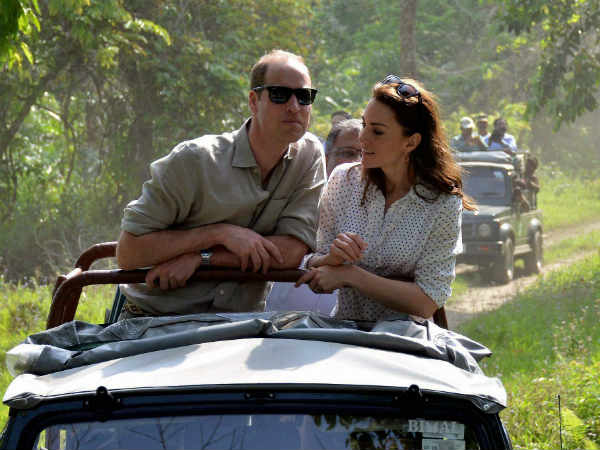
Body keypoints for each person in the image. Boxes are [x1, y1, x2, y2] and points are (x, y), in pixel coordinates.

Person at [116, 49, 327, 318]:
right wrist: (218, 233)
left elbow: (290, 251)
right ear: (254, 101)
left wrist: (202, 258)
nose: (294, 106)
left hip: (238, 324)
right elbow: (129, 251)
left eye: (304, 96)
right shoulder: (194, 160)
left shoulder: (309, 155)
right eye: (279, 94)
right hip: (156, 317)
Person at [296, 75, 475, 323]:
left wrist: (351, 275)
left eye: (377, 131)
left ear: (411, 142)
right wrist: (330, 259)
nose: (362, 138)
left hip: (405, 340)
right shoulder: (342, 180)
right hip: (343, 333)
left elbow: (427, 301)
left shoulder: (443, 204)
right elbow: (313, 266)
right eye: (364, 125)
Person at [266, 119, 362, 315]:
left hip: (348, 327)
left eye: (366, 153)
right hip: (280, 319)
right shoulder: (298, 199)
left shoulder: (388, 212)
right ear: (326, 159)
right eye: (349, 153)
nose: (358, 162)